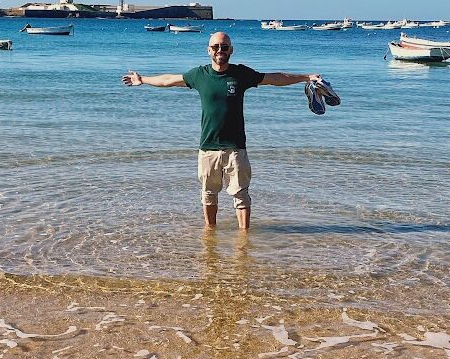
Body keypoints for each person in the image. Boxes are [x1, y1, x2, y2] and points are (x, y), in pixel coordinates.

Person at [121, 31, 321, 230]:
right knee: (208, 194)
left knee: (241, 195)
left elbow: (274, 78)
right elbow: (168, 80)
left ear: (231, 50)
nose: (220, 50)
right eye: (215, 47)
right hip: (208, 147)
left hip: (236, 148)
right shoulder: (199, 75)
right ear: (208, 50)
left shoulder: (241, 74)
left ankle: (244, 238)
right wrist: (143, 79)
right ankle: (210, 235)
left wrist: (305, 77)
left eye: (224, 47)